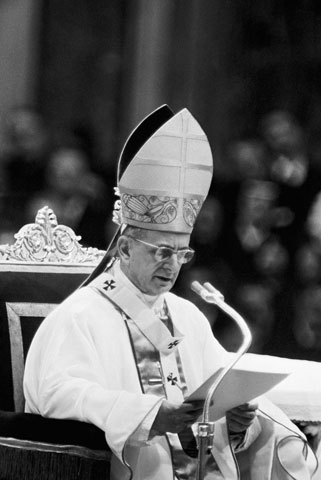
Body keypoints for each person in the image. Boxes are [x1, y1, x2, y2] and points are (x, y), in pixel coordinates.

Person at [23, 106, 316, 479]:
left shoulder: (187, 316)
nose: (173, 265)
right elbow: (56, 394)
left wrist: (239, 423)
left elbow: (214, 405)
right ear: (125, 248)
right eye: (162, 252)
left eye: (182, 254)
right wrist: (148, 415)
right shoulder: (79, 316)